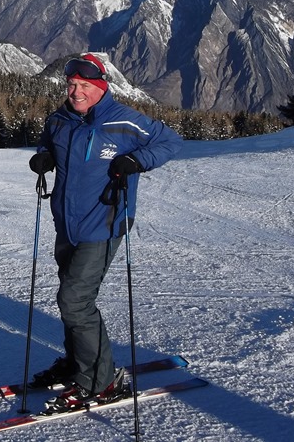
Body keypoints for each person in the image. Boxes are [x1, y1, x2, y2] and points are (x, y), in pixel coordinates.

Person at [28, 52, 183, 412]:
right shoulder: (60, 120)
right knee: (70, 297)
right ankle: (77, 362)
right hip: (66, 222)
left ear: (100, 88)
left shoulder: (124, 122)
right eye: (71, 85)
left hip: (104, 223)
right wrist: (43, 156)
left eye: (83, 86)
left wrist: (136, 161)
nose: (75, 92)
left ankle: (102, 380)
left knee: (74, 301)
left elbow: (169, 142)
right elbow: (47, 141)